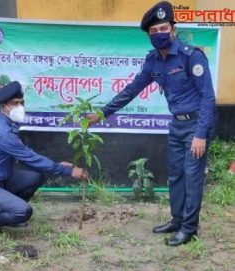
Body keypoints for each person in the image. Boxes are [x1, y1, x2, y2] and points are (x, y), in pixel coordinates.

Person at [88, 1, 216, 246]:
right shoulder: (153, 61)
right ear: (149, 36)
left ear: (173, 29)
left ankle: (190, 229)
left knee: (192, 175)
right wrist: (102, 114)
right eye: (154, 31)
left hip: (197, 124)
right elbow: (131, 90)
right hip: (177, 125)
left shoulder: (192, 56)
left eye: (163, 28)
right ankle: (177, 220)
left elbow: (208, 96)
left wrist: (201, 134)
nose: (159, 34)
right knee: (176, 174)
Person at [0, 81, 88, 235]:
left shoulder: (7, 124)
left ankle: (8, 213)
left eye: (21, 103)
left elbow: (27, 154)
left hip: (1, 180)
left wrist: (56, 165)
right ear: (3, 106)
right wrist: (67, 171)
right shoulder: (3, 132)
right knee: (23, 211)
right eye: (14, 103)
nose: (20, 107)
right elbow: (30, 158)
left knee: (35, 177)